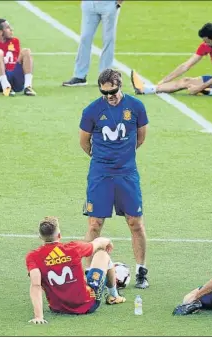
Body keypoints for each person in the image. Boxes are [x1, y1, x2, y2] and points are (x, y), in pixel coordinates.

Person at [79, 68, 149, 289]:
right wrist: (102, 159)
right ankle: (89, 273)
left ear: (121, 86)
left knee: (135, 222)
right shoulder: (91, 110)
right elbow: (84, 142)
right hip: (100, 174)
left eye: (113, 91)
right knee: (95, 223)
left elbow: (141, 136)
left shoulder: (136, 107)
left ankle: (141, 271)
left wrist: (123, 156)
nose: (109, 96)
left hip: (127, 174)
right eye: (104, 92)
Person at [25, 216, 125, 323]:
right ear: (59, 235)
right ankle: (114, 295)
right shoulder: (73, 248)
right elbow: (99, 243)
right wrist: (108, 241)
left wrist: (39, 316)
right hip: (87, 305)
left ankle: (90, 282)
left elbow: (35, 285)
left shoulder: (33, 256)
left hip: (58, 308)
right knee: (102, 255)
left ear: (40, 236)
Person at [130, 22, 212, 97]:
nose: (204, 43)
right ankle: (147, 89)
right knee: (186, 81)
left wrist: (200, 88)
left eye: (206, 41)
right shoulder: (208, 44)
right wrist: (162, 82)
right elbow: (186, 65)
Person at [62, 0, 123, 87]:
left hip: (109, 4)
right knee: (85, 37)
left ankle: (105, 76)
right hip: (89, 4)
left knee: (108, 39)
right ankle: (79, 76)